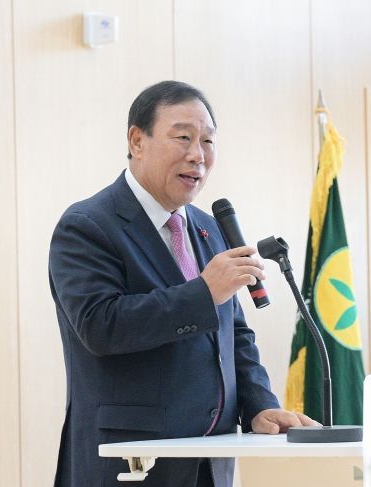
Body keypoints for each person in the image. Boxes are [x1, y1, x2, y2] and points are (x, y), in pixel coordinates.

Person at [49, 80, 317, 487]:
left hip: (211, 462)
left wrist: (259, 405)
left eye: (208, 141)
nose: (198, 155)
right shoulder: (87, 225)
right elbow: (101, 326)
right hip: (130, 462)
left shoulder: (209, 228)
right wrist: (203, 293)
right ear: (137, 140)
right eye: (183, 138)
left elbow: (234, 335)